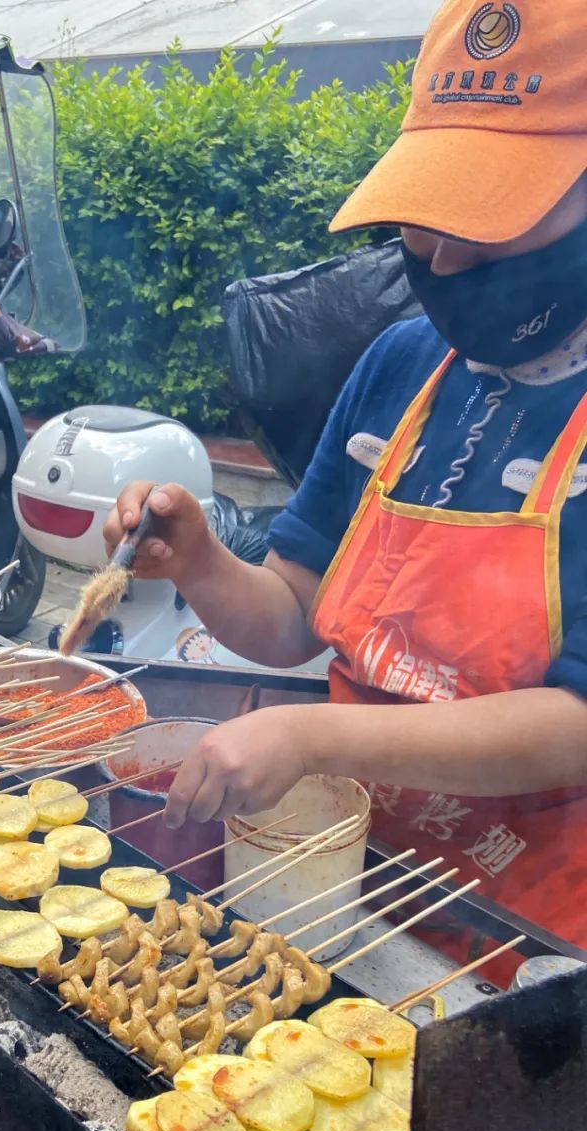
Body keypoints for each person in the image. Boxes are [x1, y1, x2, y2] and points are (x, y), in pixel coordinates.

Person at [104, 0, 587, 949]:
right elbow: (293, 617)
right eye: (426, 218)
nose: (443, 261)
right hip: (340, 860)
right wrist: (201, 562)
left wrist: (314, 737)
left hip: (529, 928)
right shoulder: (403, 363)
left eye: (487, 220)